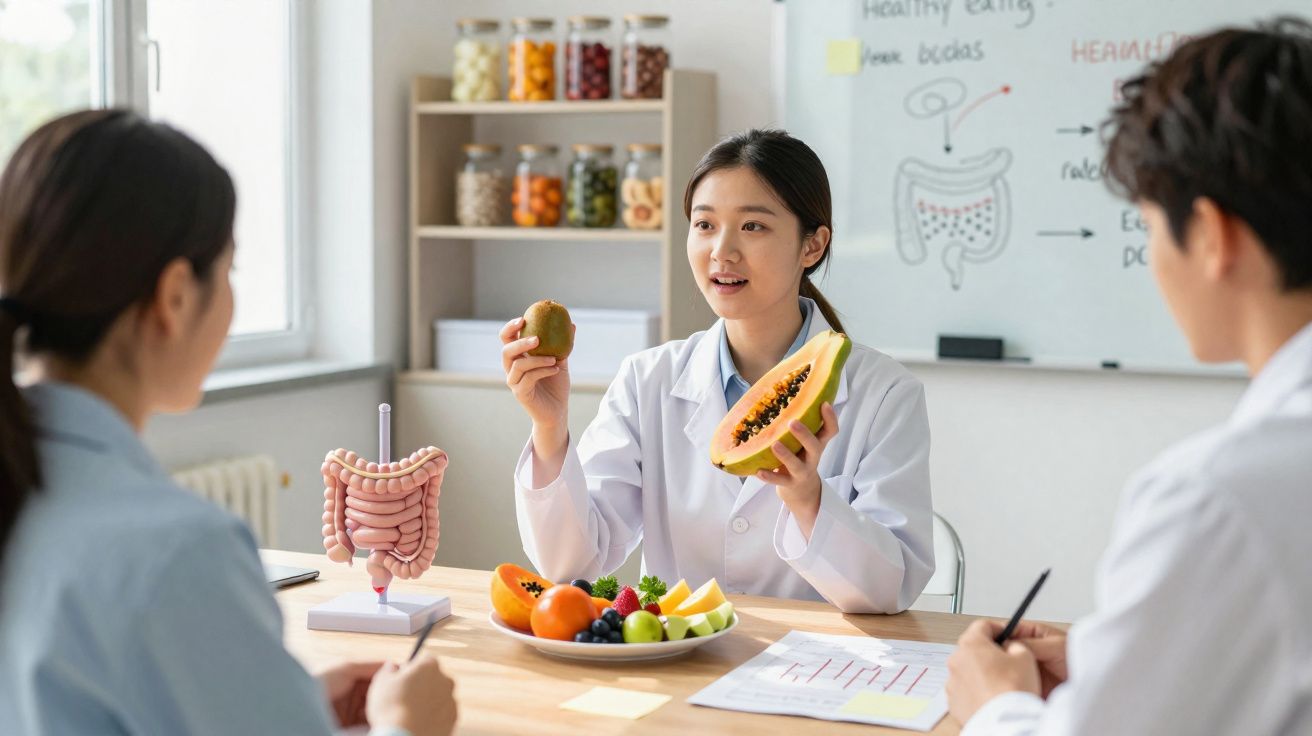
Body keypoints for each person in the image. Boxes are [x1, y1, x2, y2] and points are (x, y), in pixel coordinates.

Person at [0, 109, 456, 736]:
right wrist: (407, 729)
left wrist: (276, 707)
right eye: (231, 269)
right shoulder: (179, 551)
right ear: (176, 297)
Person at [946, 18, 1312, 735]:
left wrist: (996, 708)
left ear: (1210, 236)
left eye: (1147, 227)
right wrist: (1114, 659)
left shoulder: (1218, 498)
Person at [501, 129, 934, 613]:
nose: (721, 251)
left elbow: (890, 589)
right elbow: (572, 565)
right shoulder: (649, 380)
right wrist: (549, 426)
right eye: (704, 225)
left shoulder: (885, 395)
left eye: (753, 227)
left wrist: (810, 499)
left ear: (812, 246)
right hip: (677, 660)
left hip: (816, 668)